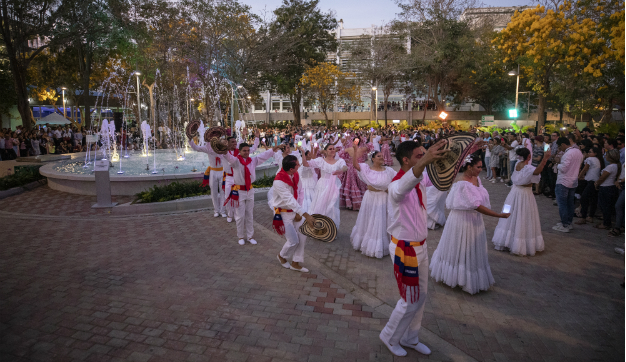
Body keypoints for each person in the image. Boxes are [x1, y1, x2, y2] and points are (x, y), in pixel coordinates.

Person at [378, 140, 448, 358]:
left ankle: (410, 337)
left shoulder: (419, 178)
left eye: (424, 154)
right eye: (419, 156)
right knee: (409, 299)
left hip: (421, 246)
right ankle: (390, 336)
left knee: (422, 295)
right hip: (405, 249)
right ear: (406, 160)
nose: (424, 158)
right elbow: (402, 188)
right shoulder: (396, 184)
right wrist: (424, 162)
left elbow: (440, 178)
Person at [429, 151, 510, 294]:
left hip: (474, 219)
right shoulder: (462, 183)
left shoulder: (477, 179)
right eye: (478, 167)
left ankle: (468, 276)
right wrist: (497, 215)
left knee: (471, 249)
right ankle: (457, 277)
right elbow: (476, 205)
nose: (480, 169)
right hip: (462, 220)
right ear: (468, 167)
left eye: (481, 167)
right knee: (460, 246)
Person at [492, 148, 550, 256]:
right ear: (529, 156)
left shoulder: (518, 164)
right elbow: (537, 171)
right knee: (523, 216)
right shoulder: (528, 167)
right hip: (524, 195)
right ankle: (518, 243)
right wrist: (545, 158)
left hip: (513, 193)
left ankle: (506, 239)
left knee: (510, 213)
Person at [221, 142, 278, 245]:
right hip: (239, 191)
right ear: (240, 151)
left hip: (250, 190)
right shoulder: (236, 161)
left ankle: (250, 236)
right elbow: (229, 157)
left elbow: (263, 156)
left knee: (249, 214)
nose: (247, 153)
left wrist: (273, 150)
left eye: (248, 150)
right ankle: (240, 236)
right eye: (244, 151)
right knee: (240, 216)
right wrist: (224, 151)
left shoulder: (252, 161)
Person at [270, 155, 316, 273]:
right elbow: (289, 200)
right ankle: (282, 256)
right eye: (297, 164)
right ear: (291, 169)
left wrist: (298, 213)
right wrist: (306, 215)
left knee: (302, 235)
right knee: (293, 241)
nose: (299, 165)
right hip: (283, 214)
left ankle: (296, 263)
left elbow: (300, 192)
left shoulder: (295, 174)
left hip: (294, 211)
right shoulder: (278, 182)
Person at [350, 143, 396, 258]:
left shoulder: (389, 171)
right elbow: (355, 165)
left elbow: (398, 180)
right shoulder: (367, 170)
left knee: (381, 220)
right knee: (370, 219)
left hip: (383, 198)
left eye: (382, 156)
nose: (382, 157)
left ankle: (381, 245)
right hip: (370, 198)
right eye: (379, 156)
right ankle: (368, 243)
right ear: (373, 159)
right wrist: (356, 151)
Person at [301, 143, 347, 227]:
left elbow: (345, 167)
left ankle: (329, 227)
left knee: (331, 206)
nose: (333, 150)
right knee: (320, 204)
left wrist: (341, 170)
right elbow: (306, 164)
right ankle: (318, 225)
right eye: (330, 149)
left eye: (333, 148)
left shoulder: (339, 161)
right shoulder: (320, 160)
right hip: (322, 185)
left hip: (333, 186)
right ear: (325, 151)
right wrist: (303, 152)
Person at [188, 138, 227, 218]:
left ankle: (222, 210)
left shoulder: (223, 147)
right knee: (214, 192)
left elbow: (234, 147)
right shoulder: (208, 148)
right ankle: (216, 210)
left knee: (223, 191)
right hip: (212, 171)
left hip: (222, 171)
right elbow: (196, 148)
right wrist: (190, 139)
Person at [552, 137, 584, 233]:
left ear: (562, 144)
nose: (559, 149)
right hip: (573, 180)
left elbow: (564, 168)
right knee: (570, 203)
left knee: (562, 204)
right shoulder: (578, 152)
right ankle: (568, 223)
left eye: (559, 146)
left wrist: (557, 164)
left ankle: (564, 224)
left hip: (564, 181)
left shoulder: (568, 153)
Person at [575, 147, 604, 224]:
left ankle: (583, 217)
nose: (588, 153)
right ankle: (590, 216)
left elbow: (585, 169)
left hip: (591, 181)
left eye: (590, 152)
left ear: (595, 153)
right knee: (593, 199)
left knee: (584, 198)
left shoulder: (590, 159)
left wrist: (579, 176)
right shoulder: (598, 160)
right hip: (594, 181)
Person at [594, 149, 621, 230]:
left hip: (606, 187)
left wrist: (597, 183)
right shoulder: (616, 166)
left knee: (604, 206)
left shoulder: (610, 167)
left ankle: (606, 223)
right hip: (610, 186)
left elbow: (603, 177)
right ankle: (606, 222)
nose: (605, 157)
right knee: (606, 206)